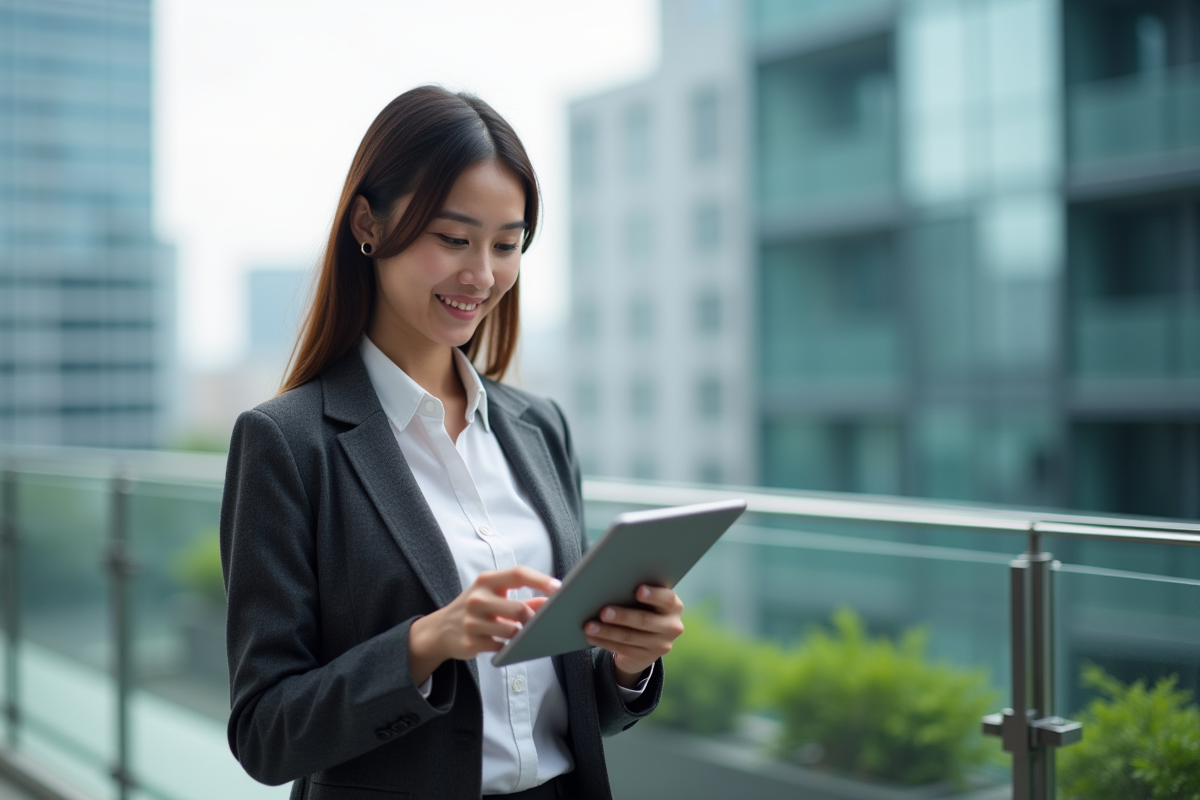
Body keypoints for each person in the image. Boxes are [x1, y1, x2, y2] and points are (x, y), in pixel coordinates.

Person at [219, 86, 685, 800]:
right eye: (453, 238)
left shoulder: (540, 428)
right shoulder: (286, 444)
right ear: (368, 223)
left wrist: (628, 664)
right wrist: (425, 644)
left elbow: (561, 702)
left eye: (507, 244)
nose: (483, 274)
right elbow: (265, 732)